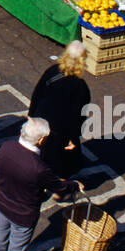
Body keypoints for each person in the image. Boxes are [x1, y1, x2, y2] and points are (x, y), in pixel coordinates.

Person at [0, 117, 82, 251]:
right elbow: (59, 187)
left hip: (2, 204)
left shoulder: (6, 147)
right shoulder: (38, 168)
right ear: (41, 140)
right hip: (23, 215)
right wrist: (75, 185)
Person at [27, 43, 92, 178]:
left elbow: (37, 94)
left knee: (38, 157)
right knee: (62, 164)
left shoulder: (52, 71)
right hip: (60, 130)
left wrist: (31, 116)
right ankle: (60, 190)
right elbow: (78, 116)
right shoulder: (80, 86)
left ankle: (38, 186)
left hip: (42, 122)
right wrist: (73, 137)